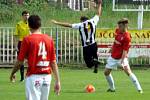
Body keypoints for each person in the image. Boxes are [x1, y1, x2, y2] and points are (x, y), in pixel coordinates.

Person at [10, 15, 61, 100]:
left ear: (28, 25)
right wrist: (57, 81)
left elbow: (19, 62)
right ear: (40, 25)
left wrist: (12, 73)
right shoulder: (49, 39)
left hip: (34, 77)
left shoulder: (27, 39)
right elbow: (53, 62)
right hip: (47, 77)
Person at [51, 0, 103, 73]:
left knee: (88, 64)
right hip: (94, 44)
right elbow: (98, 13)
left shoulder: (80, 25)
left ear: (81, 20)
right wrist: (100, 4)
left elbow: (68, 25)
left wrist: (57, 23)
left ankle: (95, 63)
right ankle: (96, 64)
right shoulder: (93, 21)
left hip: (86, 46)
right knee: (94, 58)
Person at [104, 18, 143, 93]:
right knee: (106, 72)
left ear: (125, 26)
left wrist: (122, 62)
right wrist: (112, 48)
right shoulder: (117, 31)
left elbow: (125, 51)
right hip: (113, 57)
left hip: (121, 57)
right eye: (118, 26)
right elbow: (115, 41)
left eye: (120, 26)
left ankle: (139, 89)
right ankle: (112, 89)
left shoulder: (127, 37)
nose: (118, 28)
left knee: (128, 72)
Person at [14, 10, 30, 82]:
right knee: (21, 61)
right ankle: (22, 77)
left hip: (30, 43)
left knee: (32, 59)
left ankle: (30, 76)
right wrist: (15, 46)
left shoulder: (31, 23)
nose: (26, 17)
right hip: (21, 43)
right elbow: (16, 36)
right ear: (22, 16)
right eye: (25, 15)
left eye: (27, 15)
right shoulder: (19, 24)